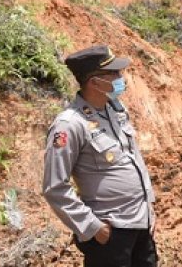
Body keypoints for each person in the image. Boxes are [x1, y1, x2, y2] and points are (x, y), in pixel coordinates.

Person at [42, 45, 157, 267]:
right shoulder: (69, 124)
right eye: (113, 73)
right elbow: (54, 186)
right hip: (110, 233)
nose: (120, 77)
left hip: (141, 225)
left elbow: (133, 159)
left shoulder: (115, 110)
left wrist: (148, 208)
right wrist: (93, 227)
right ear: (94, 82)